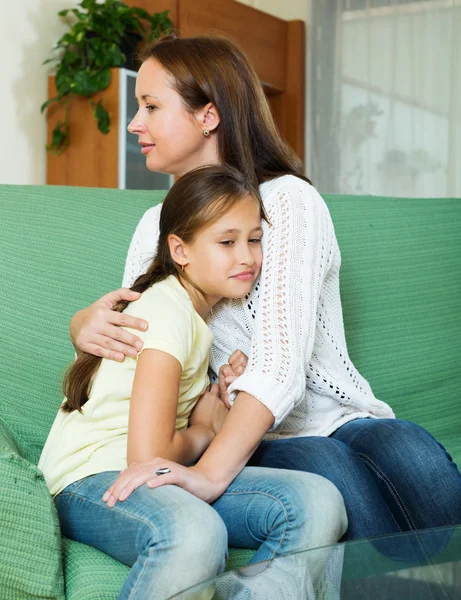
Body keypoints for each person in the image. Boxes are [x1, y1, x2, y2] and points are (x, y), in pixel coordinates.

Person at [70, 34, 461, 548]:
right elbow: (150, 345)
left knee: (409, 448)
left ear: (208, 115)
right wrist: (83, 328)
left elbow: (280, 368)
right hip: (246, 434)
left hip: (331, 416)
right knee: (326, 466)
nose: (135, 124)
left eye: (150, 106)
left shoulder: (290, 203)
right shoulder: (152, 227)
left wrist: (208, 476)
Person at [39, 165, 347, 600]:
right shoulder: (167, 311)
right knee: (195, 532)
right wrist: (204, 431)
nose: (247, 257)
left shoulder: (196, 318)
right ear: (180, 250)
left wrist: (214, 399)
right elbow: (146, 456)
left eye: (254, 239)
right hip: (89, 477)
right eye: (227, 242)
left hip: (147, 474)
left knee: (318, 502)